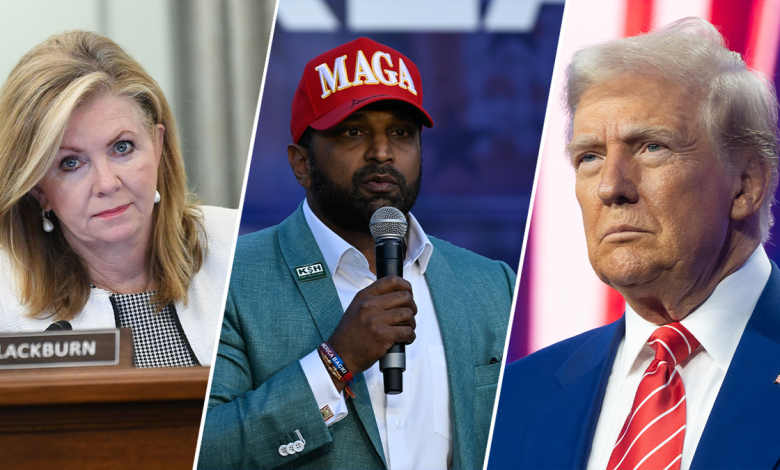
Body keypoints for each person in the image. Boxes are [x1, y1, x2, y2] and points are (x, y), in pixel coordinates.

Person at [198, 37, 516, 469]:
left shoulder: (490, 284)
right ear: (301, 164)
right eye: (353, 132)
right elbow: (204, 452)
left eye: (401, 132)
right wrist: (334, 363)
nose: (382, 152)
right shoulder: (231, 276)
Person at [488, 17, 780, 470]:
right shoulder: (516, 397)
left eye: (651, 147)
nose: (611, 187)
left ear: (746, 184)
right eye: (590, 156)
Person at [0, 31, 236, 368]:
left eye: (121, 147)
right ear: (39, 190)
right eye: (71, 163)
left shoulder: (240, 249)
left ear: (156, 147)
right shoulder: (5, 306)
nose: (107, 183)